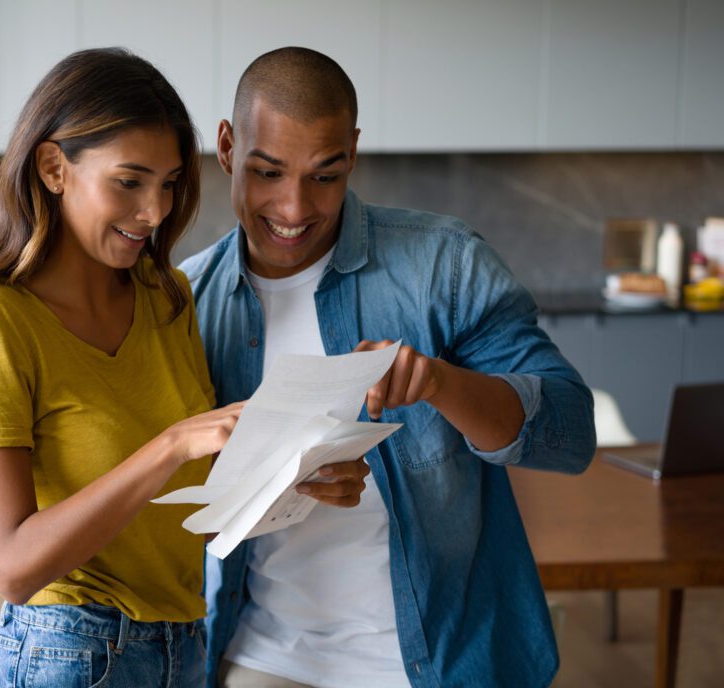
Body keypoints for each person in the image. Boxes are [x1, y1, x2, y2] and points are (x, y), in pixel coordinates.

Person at [0, 48, 367, 688]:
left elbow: (198, 485)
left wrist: (304, 472)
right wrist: (169, 445)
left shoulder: (166, 299)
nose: (156, 212)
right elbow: (12, 566)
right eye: (128, 182)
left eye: (167, 184)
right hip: (66, 651)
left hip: (184, 647)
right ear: (54, 167)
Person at [180, 47, 596, 688]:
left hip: (445, 655)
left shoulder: (442, 265)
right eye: (267, 173)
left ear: (353, 151)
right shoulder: (186, 302)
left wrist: (439, 383)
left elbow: (570, 432)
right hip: (266, 649)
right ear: (229, 147)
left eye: (325, 175)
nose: (294, 209)